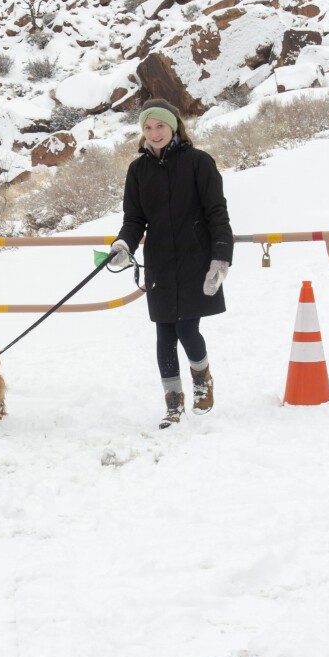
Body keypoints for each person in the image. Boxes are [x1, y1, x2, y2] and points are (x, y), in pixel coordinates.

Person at [108, 98, 233, 429]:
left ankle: (202, 379)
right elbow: (134, 219)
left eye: (160, 125)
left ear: (174, 125)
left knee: (187, 328)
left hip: (196, 260)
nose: (154, 133)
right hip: (160, 262)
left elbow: (217, 213)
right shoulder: (138, 171)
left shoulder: (199, 162)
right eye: (147, 128)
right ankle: (173, 401)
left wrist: (221, 257)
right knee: (164, 332)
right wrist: (124, 244)